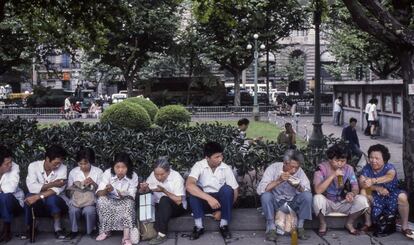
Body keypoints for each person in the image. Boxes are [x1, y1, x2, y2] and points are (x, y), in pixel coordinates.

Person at [186, 142, 239, 240]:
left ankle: (224, 225)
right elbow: (189, 185)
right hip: (204, 202)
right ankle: (198, 227)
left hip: (219, 203)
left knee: (227, 190)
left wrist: (222, 211)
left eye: (221, 156)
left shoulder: (225, 168)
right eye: (217, 157)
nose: (220, 159)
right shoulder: (199, 165)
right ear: (207, 158)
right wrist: (209, 198)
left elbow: (235, 192)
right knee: (194, 190)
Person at [313, 144, 369, 236]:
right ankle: (323, 223)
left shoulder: (349, 169)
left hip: (343, 202)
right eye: (336, 160)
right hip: (327, 203)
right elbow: (318, 190)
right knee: (317, 198)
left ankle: (349, 223)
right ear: (330, 159)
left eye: (343, 161)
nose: (340, 164)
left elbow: (355, 187)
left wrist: (352, 193)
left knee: (362, 200)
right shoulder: (321, 168)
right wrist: (333, 175)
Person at [257, 149, 312, 241]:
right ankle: (271, 228)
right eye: (292, 167)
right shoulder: (273, 168)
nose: (294, 170)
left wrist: (298, 186)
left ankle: (300, 227)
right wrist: (278, 180)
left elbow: (307, 190)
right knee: (266, 196)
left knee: (307, 196)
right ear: (285, 163)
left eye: (297, 167)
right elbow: (260, 190)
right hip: (276, 202)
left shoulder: (300, 171)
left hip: (292, 202)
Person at [359, 144, 413, 239]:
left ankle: (405, 226)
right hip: (375, 195)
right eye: (371, 157)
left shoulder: (389, 167)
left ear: (384, 159)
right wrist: (378, 188)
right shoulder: (367, 168)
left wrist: (372, 180)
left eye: (377, 158)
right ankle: (368, 223)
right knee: (363, 192)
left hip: (391, 194)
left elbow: (389, 177)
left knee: (402, 197)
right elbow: (362, 183)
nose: (373, 160)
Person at [23, 145, 69, 240]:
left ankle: (57, 227)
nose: (58, 166)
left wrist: (37, 196)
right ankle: (30, 228)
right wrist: (53, 184)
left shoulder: (63, 168)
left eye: (60, 163)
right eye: (55, 163)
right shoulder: (33, 166)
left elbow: (57, 190)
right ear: (47, 159)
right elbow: (31, 187)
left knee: (52, 198)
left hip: (57, 202)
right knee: (29, 196)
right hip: (41, 203)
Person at [139, 158, 187, 245]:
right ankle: (147, 232)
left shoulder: (176, 177)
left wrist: (164, 191)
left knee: (164, 199)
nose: (159, 177)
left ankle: (162, 234)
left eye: (162, 174)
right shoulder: (153, 175)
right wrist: (144, 189)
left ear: (168, 172)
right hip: (159, 205)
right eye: (156, 174)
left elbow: (179, 200)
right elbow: (148, 190)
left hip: (177, 207)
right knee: (153, 203)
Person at [95, 152, 138, 245]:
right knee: (101, 201)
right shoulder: (107, 173)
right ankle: (106, 231)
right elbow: (99, 193)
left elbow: (132, 195)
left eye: (123, 167)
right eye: (117, 167)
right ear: (113, 167)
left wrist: (122, 194)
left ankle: (126, 237)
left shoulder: (133, 176)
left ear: (128, 167)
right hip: (110, 200)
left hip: (125, 200)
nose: (120, 170)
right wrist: (106, 190)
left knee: (129, 203)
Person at [67, 148, 103, 238]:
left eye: (85, 163)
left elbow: (101, 190)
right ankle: (74, 231)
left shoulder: (98, 172)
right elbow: (69, 190)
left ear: (90, 161)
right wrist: (78, 186)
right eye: (80, 163)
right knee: (73, 210)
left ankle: (91, 231)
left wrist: (93, 183)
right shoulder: (73, 172)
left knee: (89, 211)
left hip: (90, 201)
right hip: (76, 201)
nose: (83, 166)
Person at [0, 145, 24, 242]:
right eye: (7, 163)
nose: (10, 165)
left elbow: (11, 188)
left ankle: (6, 230)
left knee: (5, 196)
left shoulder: (15, 167)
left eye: (11, 162)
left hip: (14, 203)